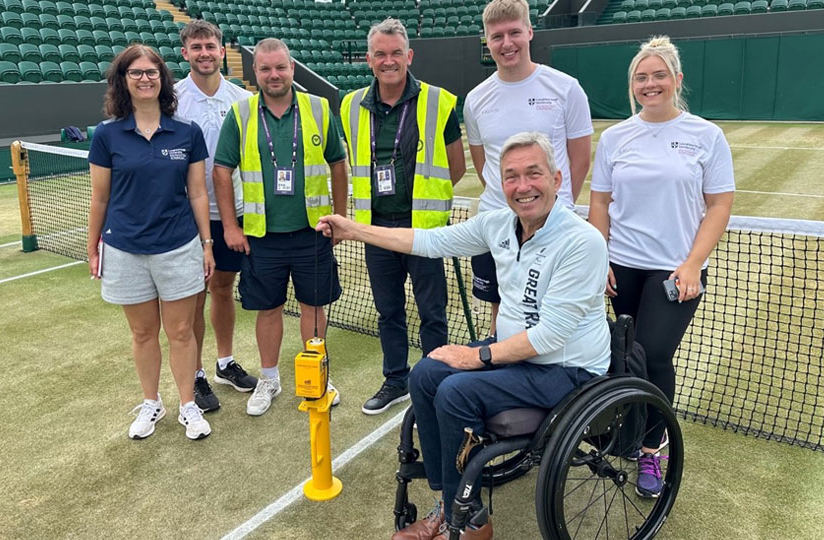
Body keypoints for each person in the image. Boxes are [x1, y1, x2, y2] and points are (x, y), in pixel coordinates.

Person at [317, 132, 610, 540]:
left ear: (557, 180)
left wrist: (479, 357)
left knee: (457, 392)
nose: (522, 186)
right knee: (425, 372)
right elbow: (430, 241)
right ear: (501, 184)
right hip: (517, 357)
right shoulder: (498, 224)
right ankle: (447, 501)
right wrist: (354, 230)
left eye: (533, 174)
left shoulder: (582, 241)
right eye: (511, 177)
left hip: (568, 369)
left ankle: (468, 520)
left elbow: (551, 336)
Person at [588, 35, 735, 498]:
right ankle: (629, 433)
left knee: (652, 355)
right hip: (621, 266)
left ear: (676, 80)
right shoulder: (614, 137)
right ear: (632, 84)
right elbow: (600, 201)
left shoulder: (706, 136)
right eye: (641, 77)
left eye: (658, 76)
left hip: (675, 272)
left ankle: (653, 449)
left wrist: (693, 264)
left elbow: (719, 205)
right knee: (625, 355)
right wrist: (599, 257)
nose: (649, 84)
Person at [213, 38, 348, 416]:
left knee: (314, 307)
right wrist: (229, 227)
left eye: (280, 67)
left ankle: (317, 376)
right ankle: (269, 379)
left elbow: (338, 163)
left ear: (291, 68)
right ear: (255, 73)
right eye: (266, 68)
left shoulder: (319, 109)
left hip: (313, 232)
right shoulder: (240, 115)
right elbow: (221, 170)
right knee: (268, 309)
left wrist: (340, 216)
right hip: (261, 236)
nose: (274, 75)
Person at [87, 45, 215, 440]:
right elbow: (100, 198)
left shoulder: (187, 133)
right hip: (125, 248)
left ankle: (188, 407)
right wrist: (93, 248)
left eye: (152, 72)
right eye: (136, 73)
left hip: (178, 246)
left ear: (163, 79)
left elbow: (197, 194)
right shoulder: (107, 135)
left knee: (181, 333)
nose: (145, 78)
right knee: (143, 334)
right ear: (123, 81)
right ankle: (151, 403)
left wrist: (207, 245)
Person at [340, 18, 466, 416]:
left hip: (423, 231)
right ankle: (396, 379)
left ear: (409, 56)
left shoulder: (439, 101)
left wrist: (425, 202)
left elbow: (456, 167)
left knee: (433, 312)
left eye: (396, 53)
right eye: (380, 54)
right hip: (376, 230)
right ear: (369, 59)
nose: (388, 60)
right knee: (388, 311)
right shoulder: (350, 104)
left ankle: (434, 379)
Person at [464, 0, 593, 337]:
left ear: (530, 32)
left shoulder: (566, 88)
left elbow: (579, 159)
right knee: (501, 315)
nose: (506, 44)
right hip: (497, 225)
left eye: (514, 33)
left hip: (554, 227)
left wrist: (552, 207)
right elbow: (485, 166)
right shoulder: (476, 99)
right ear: (486, 41)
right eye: (496, 37)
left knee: (552, 317)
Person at [174, 20, 257, 413]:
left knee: (223, 289)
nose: (204, 53)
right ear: (185, 53)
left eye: (211, 46)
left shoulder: (243, 98)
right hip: (186, 217)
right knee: (190, 298)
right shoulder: (170, 99)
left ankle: (224, 364)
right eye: (196, 47)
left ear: (223, 51)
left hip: (231, 214)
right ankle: (195, 374)